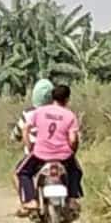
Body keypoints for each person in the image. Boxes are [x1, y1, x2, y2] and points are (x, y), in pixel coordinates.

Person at [18, 84, 83, 213]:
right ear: (67, 99)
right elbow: (73, 139)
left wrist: (29, 146)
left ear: (52, 97)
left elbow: (26, 129)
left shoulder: (40, 112)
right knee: (76, 171)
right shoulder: (70, 116)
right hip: (63, 156)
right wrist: (73, 151)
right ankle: (71, 199)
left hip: (40, 154)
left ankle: (31, 200)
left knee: (22, 172)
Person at [10, 79, 54, 210]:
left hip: (37, 154)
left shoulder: (28, 114)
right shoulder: (59, 112)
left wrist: (18, 139)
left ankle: (29, 201)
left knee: (19, 173)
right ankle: (72, 200)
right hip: (59, 154)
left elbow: (19, 132)